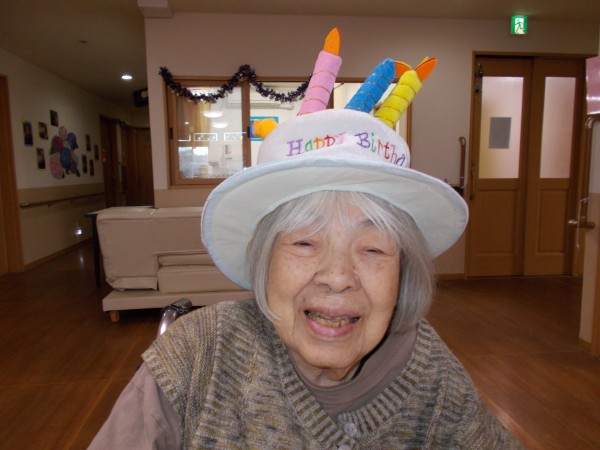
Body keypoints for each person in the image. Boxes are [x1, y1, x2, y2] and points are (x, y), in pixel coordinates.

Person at [90, 30, 523, 449]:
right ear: (264, 260)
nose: (337, 277)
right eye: (304, 243)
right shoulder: (197, 354)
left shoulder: (433, 375)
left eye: (373, 248)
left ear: (402, 271)